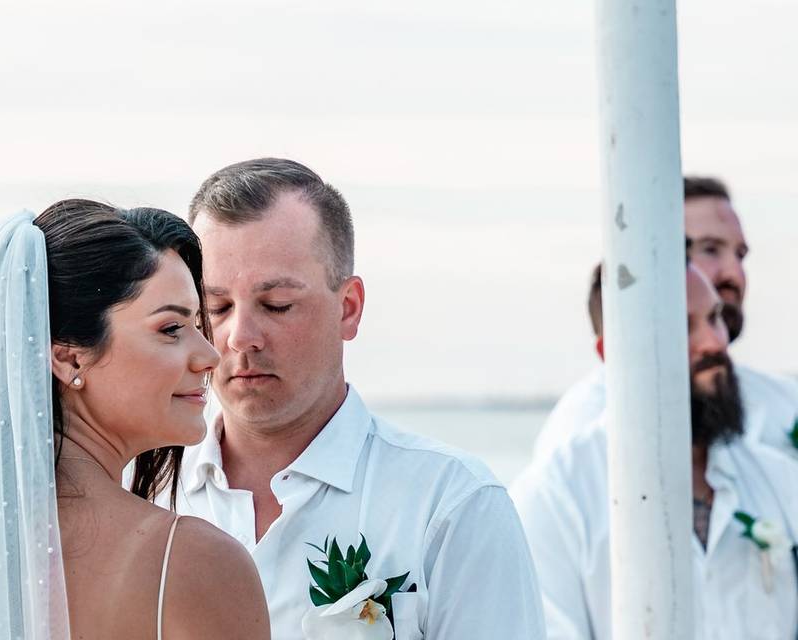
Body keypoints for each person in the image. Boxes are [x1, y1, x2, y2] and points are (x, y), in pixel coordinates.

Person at [0, 201, 270, 639]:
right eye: (171, 329)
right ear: (67, 359)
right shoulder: (193, 564)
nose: (210, 355)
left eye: (200, 324)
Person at [162, 158, 546, 639]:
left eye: (277, 304)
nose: (240, 336)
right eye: (216, 307)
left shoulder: (451, 504)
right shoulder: (143, 488)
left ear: (349, 308)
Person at [512, 264, 798, 639]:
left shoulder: (779, 479)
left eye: (715, 318)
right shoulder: (555, 498)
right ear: (612, 350)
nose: (714, 341)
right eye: (682, 325)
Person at [533, 177, 798, 460]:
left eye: (740, 255)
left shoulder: (782, 399)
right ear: (653, 255)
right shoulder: (582, 430)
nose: (734, 274)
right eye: (710, 249)